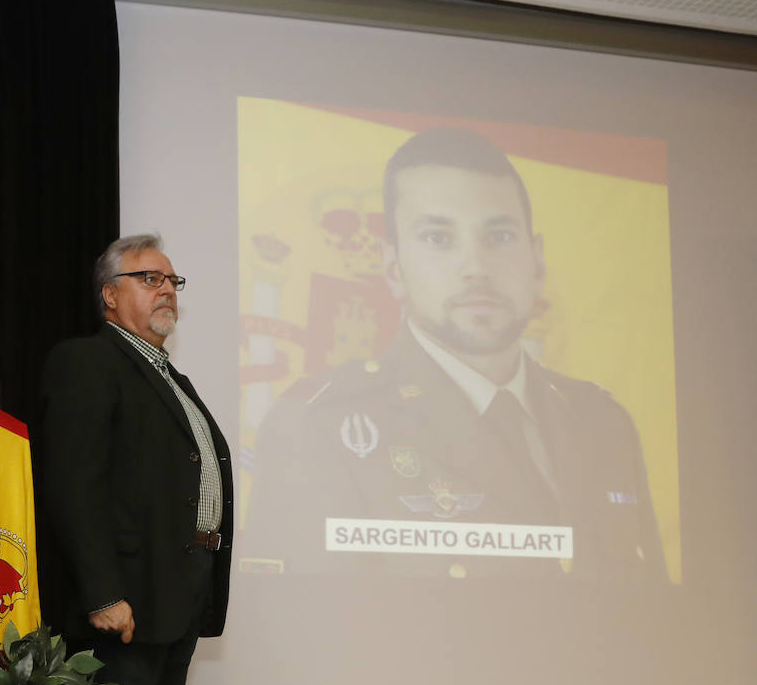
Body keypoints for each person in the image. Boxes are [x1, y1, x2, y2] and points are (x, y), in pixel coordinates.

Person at [243, 126, 666, 580]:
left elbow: (651, 619)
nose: (476, 268)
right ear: (393, 268)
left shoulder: (604, 425)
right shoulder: (318, 426)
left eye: (499, 236)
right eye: (438, 238)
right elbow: (294, 632)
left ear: (537, 260)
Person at [39, 234, 233, 685]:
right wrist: (100, 590)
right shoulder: (89, 361)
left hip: (173, 606)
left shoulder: (167, 375)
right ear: (109, 295)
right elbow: (72, 482)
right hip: (124, 607)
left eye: (173, 279)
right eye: (149, 278)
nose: (167, 290)